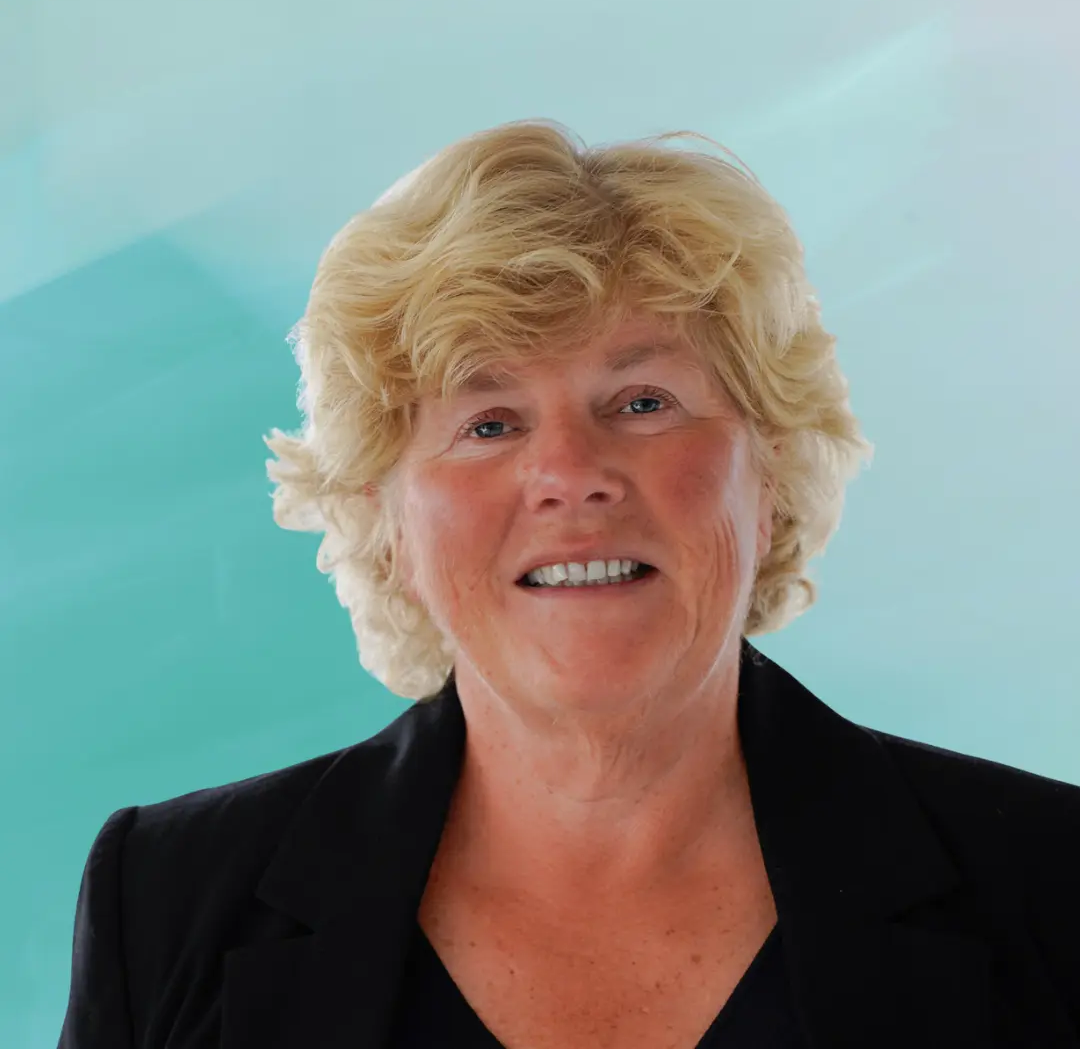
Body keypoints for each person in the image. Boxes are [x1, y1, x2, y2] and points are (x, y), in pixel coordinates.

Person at [57, 119, 1080, 1049]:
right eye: (489, 423)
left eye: (641, 401)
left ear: (768, 473)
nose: (570, 474)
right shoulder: (169, 901)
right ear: (386, 520)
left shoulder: (1054, 883)